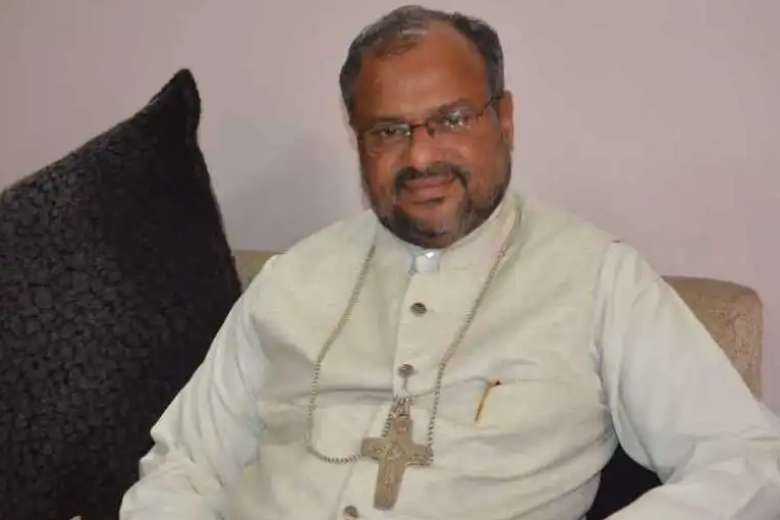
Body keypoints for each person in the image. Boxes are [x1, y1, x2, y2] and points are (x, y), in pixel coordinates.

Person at [121, 6, 780, 519]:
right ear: (358, 140)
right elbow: (185, 464)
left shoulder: (598, 279)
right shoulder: (291, 279)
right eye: (389, 131)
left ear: (505, 119)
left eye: (453, 119)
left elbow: (748, 460)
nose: (420, 157)